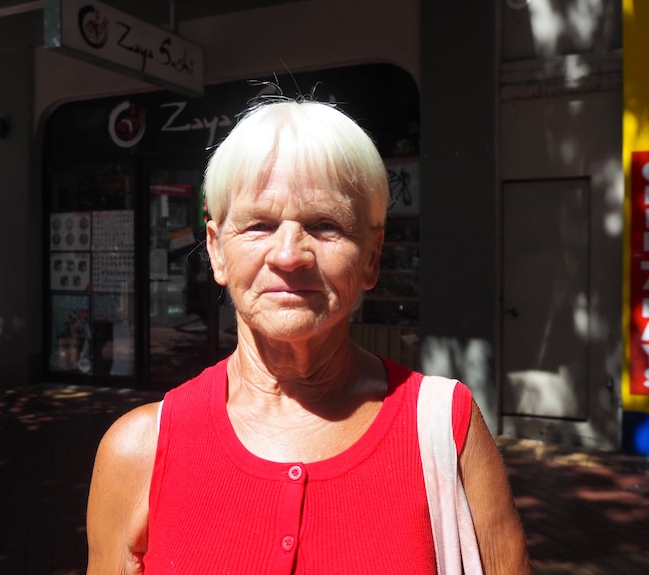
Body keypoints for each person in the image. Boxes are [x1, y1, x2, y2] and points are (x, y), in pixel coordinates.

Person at [86, 99, 530, 574]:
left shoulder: (445, 429)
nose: (289, 255)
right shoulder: (139, 451)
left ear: (372, 256)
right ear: (216, 251)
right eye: (259, 225)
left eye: (325, 225)